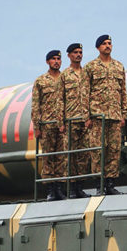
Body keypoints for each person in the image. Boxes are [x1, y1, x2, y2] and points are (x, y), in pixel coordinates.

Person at [83, 34, 127, 195]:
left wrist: (124, 115)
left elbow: (123, 92)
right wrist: (86, 116)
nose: (108, 46)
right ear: (98, 48)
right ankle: (99, 185)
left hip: (115, 116)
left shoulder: (118, 66)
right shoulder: (90, 67)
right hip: (97, 116)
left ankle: (110, 183)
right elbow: (84, 93)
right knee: (98, 151)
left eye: (110, 43)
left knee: (114, 150)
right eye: (104, 44)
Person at [32, 49, 67, 201]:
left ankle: (59, 188)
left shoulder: (65, 78)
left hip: (63, 125)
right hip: (47, 125)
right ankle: (50, 190)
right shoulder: (41, 81)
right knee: (48, 158)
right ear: (48, 62)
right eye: (53, 59)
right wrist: (36, 126)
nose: (56, 61)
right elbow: (35, 105)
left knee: (61, 158)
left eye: (58, 59)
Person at [61, 42, 89, 199]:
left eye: (80, 52)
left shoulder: (86, 74)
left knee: (83, 156)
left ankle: (80, 187)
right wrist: (61, 122)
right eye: (75, 52)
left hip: (84, 120)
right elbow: (59, 100)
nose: (78, 55)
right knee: (70, 155)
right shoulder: (65, 76)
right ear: (69, 55)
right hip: (70, 120)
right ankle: (71, 188)